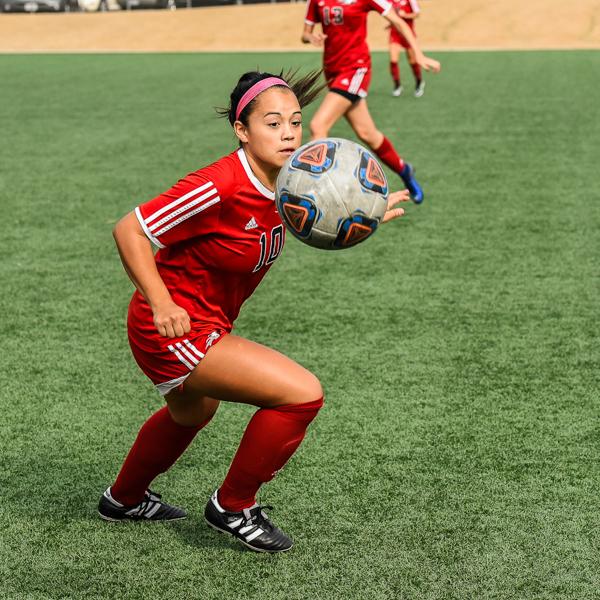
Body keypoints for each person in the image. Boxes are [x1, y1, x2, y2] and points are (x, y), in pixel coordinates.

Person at [98, 70, 410, 553]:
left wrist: (362, 208)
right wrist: (161, 302)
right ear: (242, 131)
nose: (287, 133)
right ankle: (233, 505)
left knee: (192, 413)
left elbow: (307, 216)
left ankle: (123, 499)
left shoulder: (289, 183)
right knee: (301, 394)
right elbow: (129, 230)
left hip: (206, 322)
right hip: (172, 326)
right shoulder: (219, 185)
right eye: (272, 123)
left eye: (295, 122)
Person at [302, 0, 441, 204]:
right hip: (332, 71)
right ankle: (405, 170)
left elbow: (399, 21)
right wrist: (311, 37)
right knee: (368, 134)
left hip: (356, 69)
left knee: (318, 126)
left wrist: (418, 55)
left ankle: (313, 193)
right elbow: (305, 34)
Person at [388, 0, 424, 97]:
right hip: (395, 33)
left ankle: (419, 82)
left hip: (408, 34)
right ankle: (397, 85)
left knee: (412, 61)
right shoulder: (389, 1)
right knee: (393, 60)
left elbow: (417, 14)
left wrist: (405, 15)